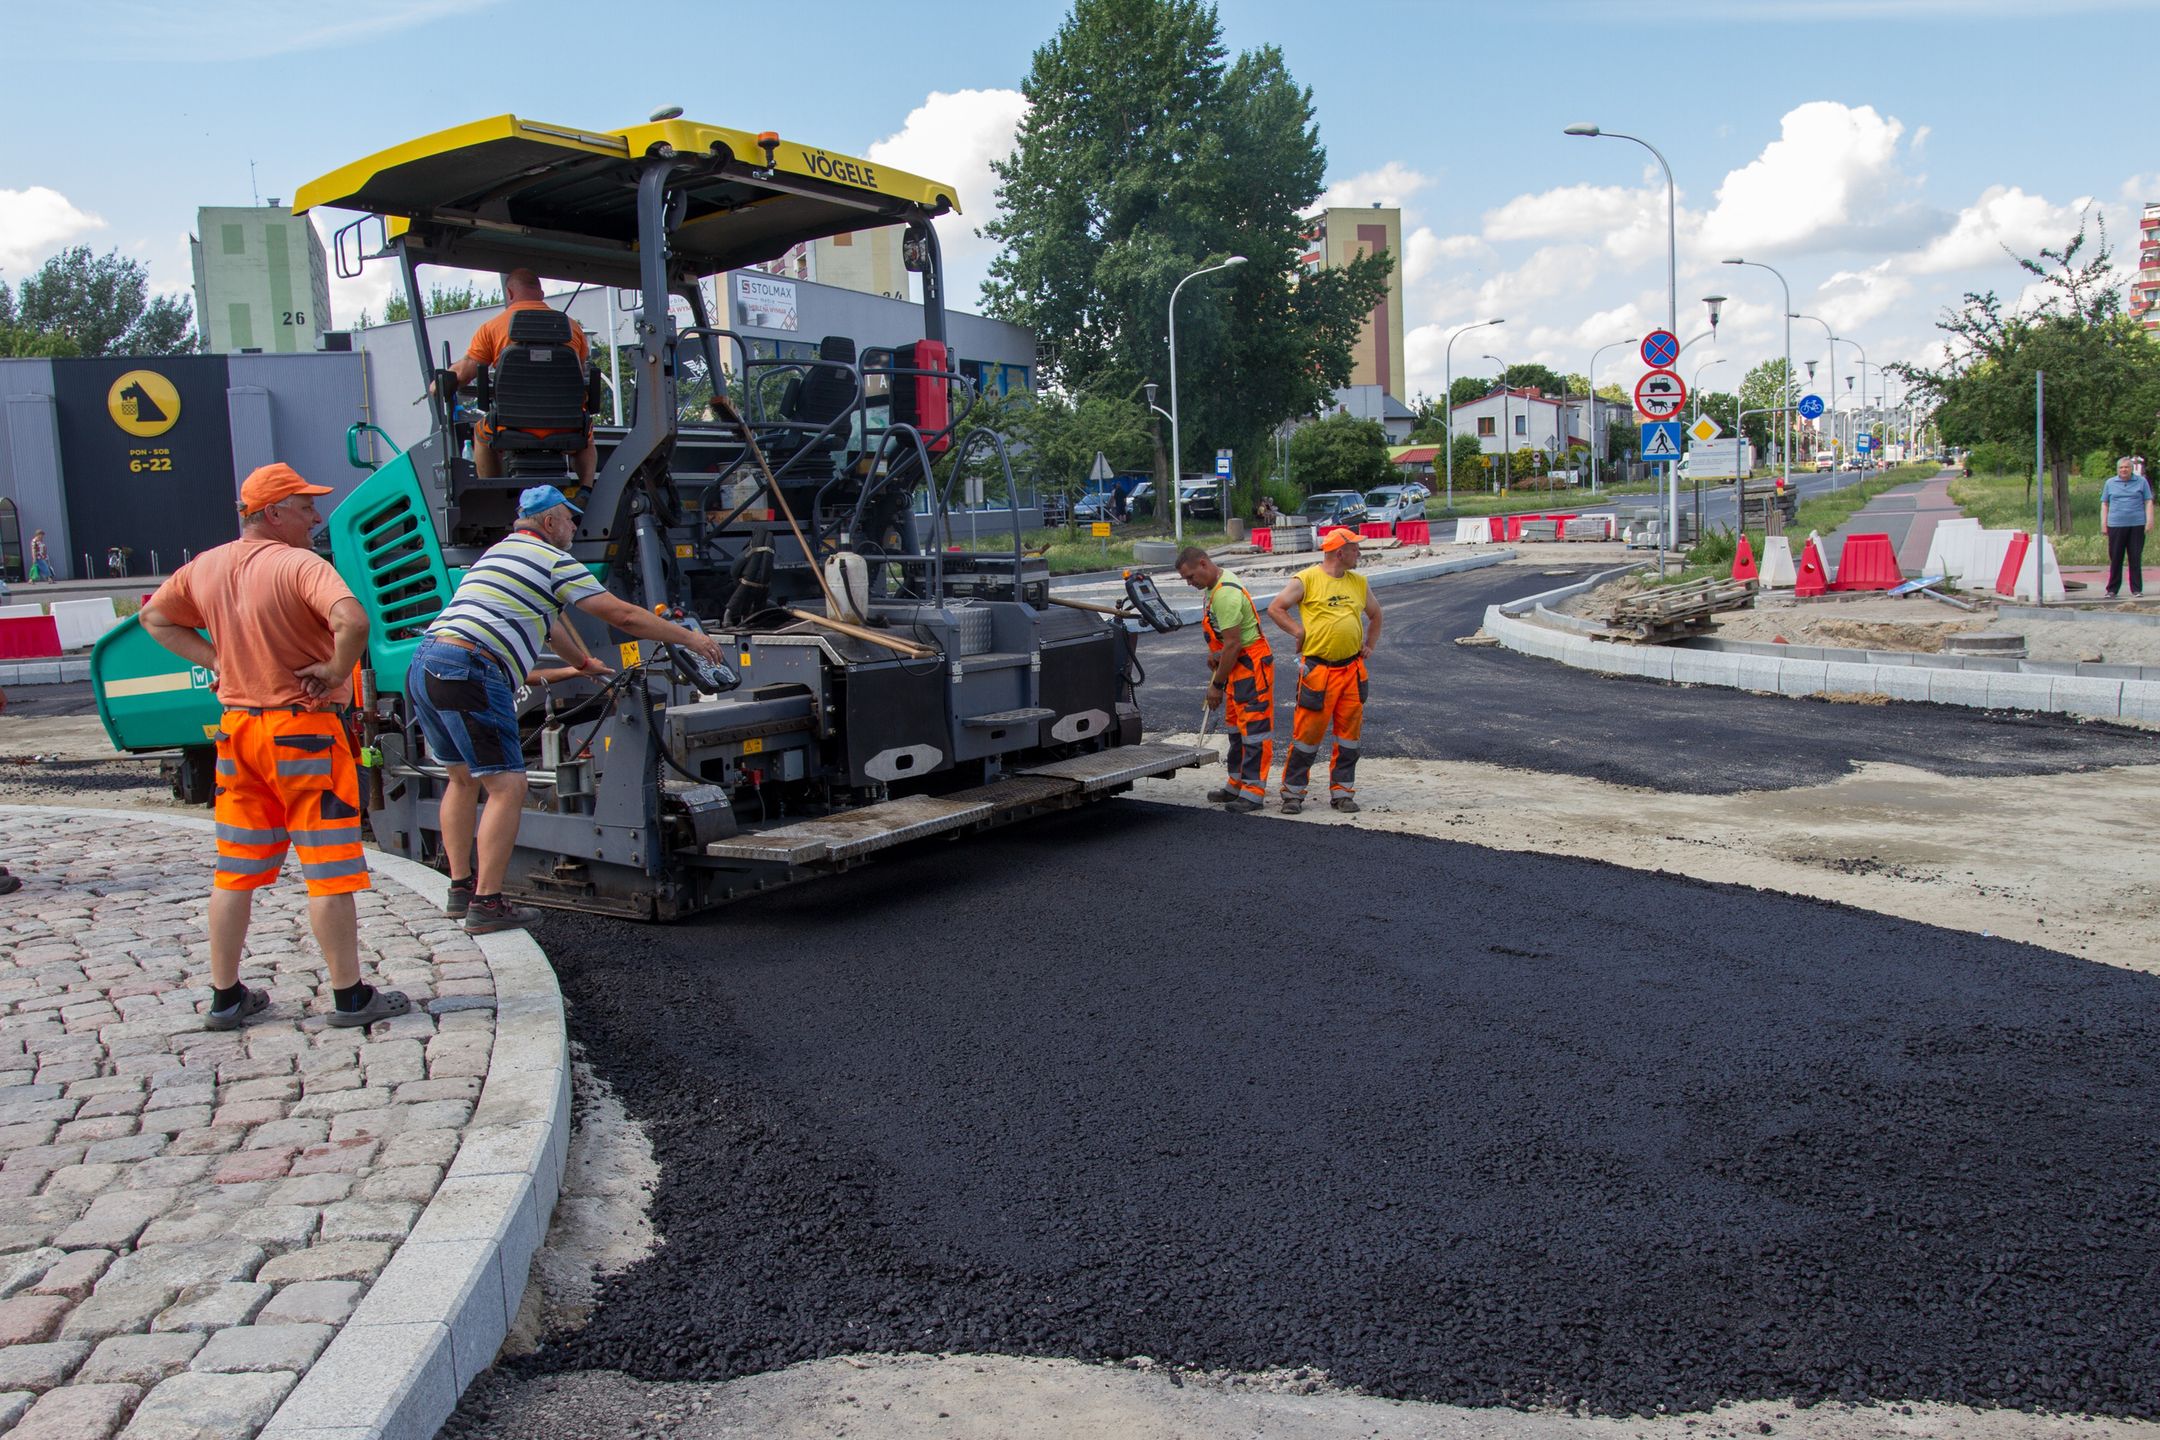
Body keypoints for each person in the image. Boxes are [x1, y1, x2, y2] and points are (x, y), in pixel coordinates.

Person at [141, 463, 410, 1031]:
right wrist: (338, 666)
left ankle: (225, 997)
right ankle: (350, 997)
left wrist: (218, 661)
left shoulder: (206, 566)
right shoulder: (297, 564)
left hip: (238, 735)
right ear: (272, 513)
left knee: (234, 872)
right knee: (328, 871)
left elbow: (154, 617)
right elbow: (352, 620)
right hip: (304, 733)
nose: (316, 518)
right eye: (305, 507)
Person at [412, 484, 731, 932]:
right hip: (471, 667)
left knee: (461, 780)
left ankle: (460, 889)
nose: (576, 527)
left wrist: (581, 664)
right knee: (507, 786)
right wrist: (690, 638)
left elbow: (551, 621)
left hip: (428, 662)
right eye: (570, 518)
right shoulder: (552, 559)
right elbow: (622, 616)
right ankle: (487, 904)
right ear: (548, 522)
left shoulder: (499, 554)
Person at [437, 268, 598, 488]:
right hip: (566, 427)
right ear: (541, 294)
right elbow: (577, 378)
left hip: (512, 428)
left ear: (510, 293)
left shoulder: (492, 328)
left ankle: (492, 491)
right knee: (586, 435)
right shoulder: (573, 328)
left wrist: (437, 384)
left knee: (480, 432)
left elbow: (463, 373)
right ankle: (587, 489)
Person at [1266, 529, 1383, 815]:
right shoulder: (1307, 579)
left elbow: (1376, 614)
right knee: (1306, 736)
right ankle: (1292, 795)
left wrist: (1369, 644)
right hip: (1319, 671)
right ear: (1339, 552)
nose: (1359, 553)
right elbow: (1276, 608)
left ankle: (1342, 793)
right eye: (1355, 548)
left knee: (1349, 737)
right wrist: (1298, 631)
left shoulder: (1358, 582)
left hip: (1352, 671)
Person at [1175, 546, 1272, 813]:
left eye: (1191, 576)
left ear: (1204, 565)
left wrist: (1217, 685)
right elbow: (1223, 641)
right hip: (1236, 666)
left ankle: (1253, 793)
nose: (1190, 583)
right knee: (1236, 728)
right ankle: (1236, 783)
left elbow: (1233, 644)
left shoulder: (1226, 594)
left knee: (1254, 730)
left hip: (1250, 666)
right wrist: (1215, 653)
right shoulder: (1213, 588)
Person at [2101, 455, 2154, 599]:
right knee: (2116, 557)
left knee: (2135, 557)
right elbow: (2105, 504)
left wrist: (2149, 520)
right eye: (2121, 467)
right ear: (2117, 469)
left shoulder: (2141, 482)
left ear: (2132, 469)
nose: (2124, 470)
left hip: (2136, 524)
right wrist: (2103, 524)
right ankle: (2112, 589)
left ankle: (2136, 589)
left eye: (2126, 467)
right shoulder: (2110, 483)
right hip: (2116, 524)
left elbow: (2148, 501)